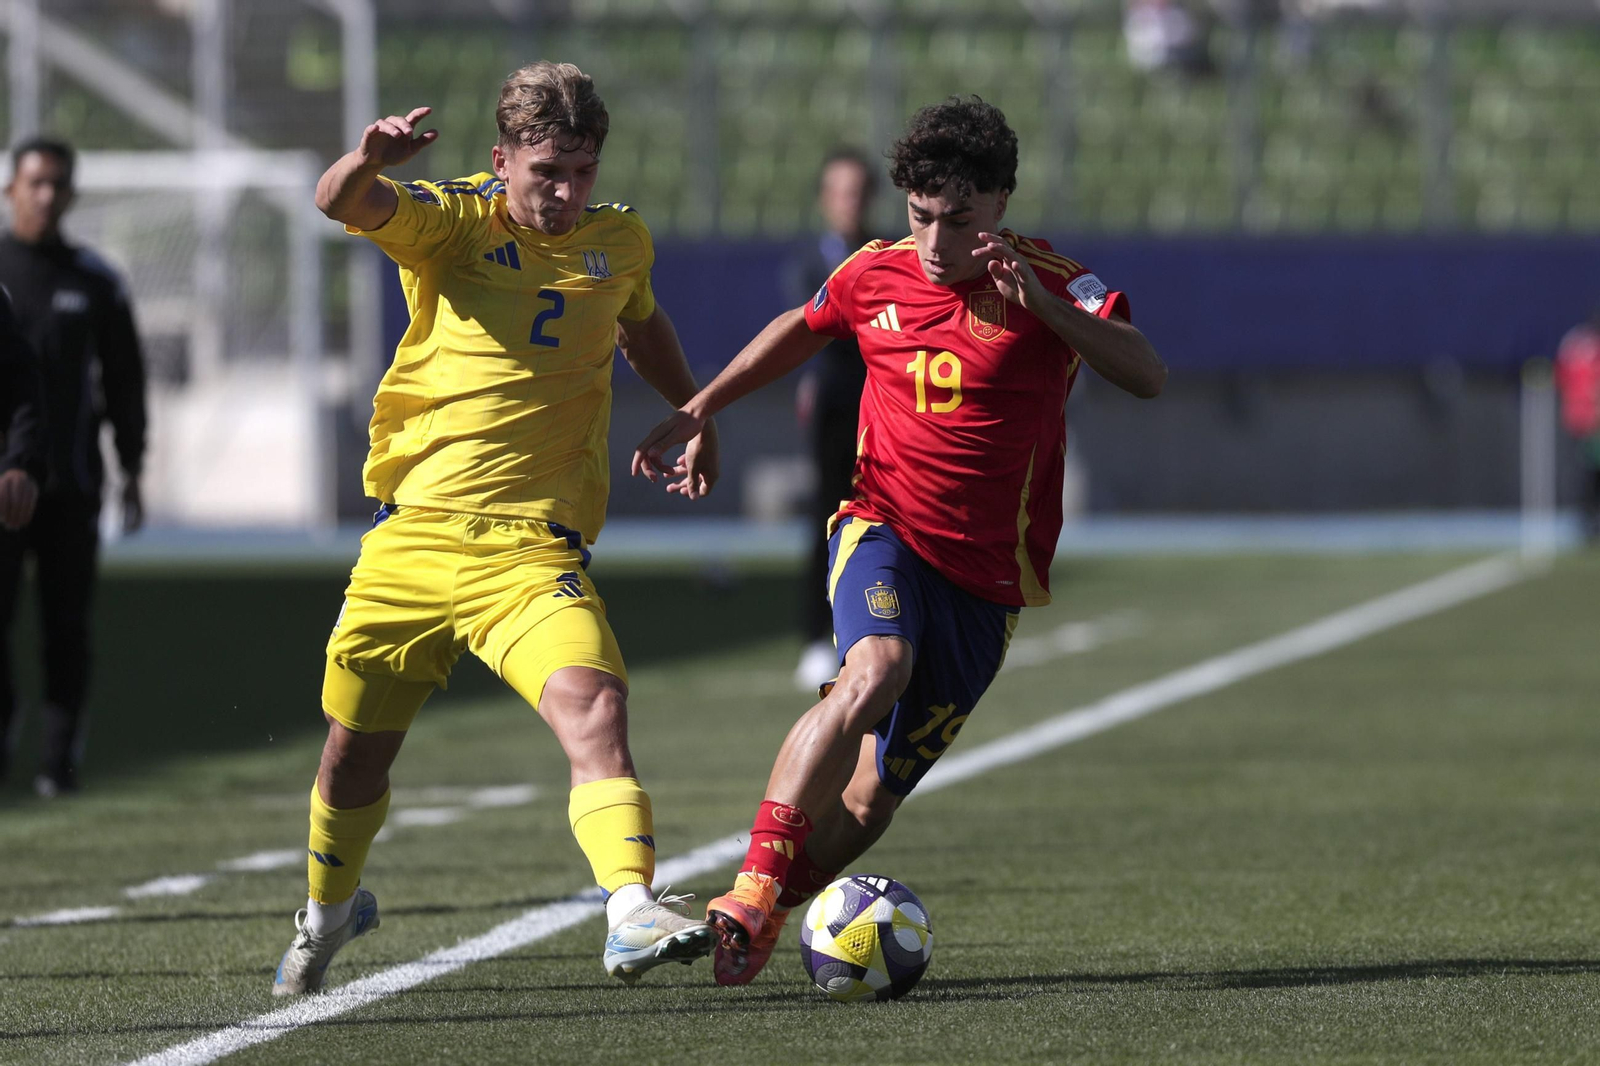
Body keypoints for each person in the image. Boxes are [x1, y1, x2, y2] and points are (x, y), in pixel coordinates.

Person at [634, 96, 1166, 985]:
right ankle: (755, 891)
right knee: (874, 668)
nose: (935, 240)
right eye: (921, 216)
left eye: (958, 219)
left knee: (872, 800)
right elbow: (798, 332)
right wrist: (702, 407)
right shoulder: (874, 272)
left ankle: (769, 915)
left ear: (1000, 203)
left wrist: (1041, 307)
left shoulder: (1056, 282)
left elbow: (1145, 372)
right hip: (884, 527)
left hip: (988, 583)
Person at [274, 61, 720, 995]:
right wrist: (369, 157)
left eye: (581, 171)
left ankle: (630, 908)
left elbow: (641, 326)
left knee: (595, 704)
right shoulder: (454, 221)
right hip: (414, 536)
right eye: (545, 171)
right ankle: (327, 910)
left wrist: (693, 412)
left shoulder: (619, 241)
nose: (563, 193)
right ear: (502, 159)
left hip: (530, 547)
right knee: (353, 753)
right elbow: (338, 201)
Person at [0, 137, 147, 798]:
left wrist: (132, 468)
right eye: (34, 182)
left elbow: (124, 383)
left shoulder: (94, 281)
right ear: (11, 190)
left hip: (69, 486)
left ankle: (58, 765)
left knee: (65, 629)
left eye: (57, 184)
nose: (45, 195)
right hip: (1, 487)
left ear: (70, 193)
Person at [787, 148, 879, 691]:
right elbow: (813, 328)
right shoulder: (808, 263)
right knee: (826, 517)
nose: (851, 203)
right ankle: (816, 639)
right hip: (833, 405)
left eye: (859, 192)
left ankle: (874, 632)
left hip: (884, 405)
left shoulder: (889, 254)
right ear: (826, 199)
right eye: (841, 192)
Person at [1554, 316, 1600, 542]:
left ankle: (1588, 521)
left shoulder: (1572, 342)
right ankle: (1589, 522)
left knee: (1586, 472)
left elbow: (1561, 377)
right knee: (1589, 473)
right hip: (1589, 420)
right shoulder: (1584, 346)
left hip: (1579, 417)